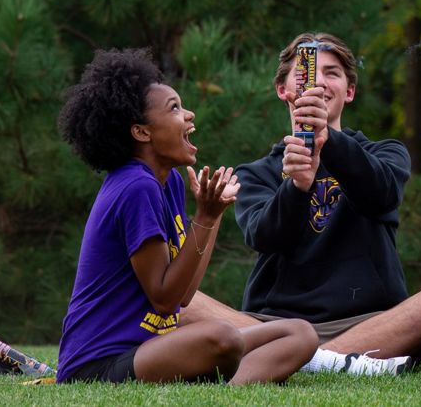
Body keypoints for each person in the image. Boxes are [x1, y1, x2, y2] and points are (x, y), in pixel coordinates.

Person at [179, 32, 421, 376]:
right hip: (274, 325)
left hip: (367, 323)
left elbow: (382, 194)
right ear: (283, 90)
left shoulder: (385, 153)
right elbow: (264, 237)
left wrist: (329, 142)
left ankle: (306, 360)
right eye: (306, 72)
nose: (319, 82)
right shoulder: (257, 173)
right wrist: (296, 188)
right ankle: (331, 362)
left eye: (332, 73)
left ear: (349, 91)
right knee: (178, 305)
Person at [56, 49, 316, 385]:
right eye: (175, 108)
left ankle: (229, 391)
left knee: (299, 334)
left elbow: (183, 297)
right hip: (99, 366)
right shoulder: (136, 186)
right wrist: (204, 219)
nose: (189, 115)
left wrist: (214, 215)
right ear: (141, 132)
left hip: (153, 347)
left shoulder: (168, 183)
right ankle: (222, 381)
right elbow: (163, 300)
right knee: (223, 338)